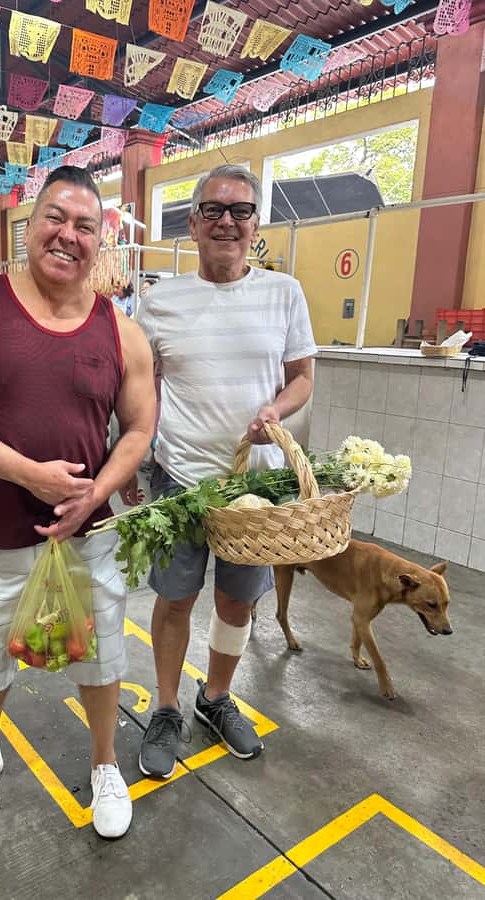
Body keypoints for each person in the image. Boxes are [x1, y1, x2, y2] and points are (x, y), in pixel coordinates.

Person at [0, 166, 155, 838]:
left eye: (85, 225)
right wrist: (30, 476)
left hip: (89, 533)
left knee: (101, 655)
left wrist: (93, 493)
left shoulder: (121, 331)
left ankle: (105, 763)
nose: (67, 235)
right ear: (30, 226)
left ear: (100, 240)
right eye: (55, 217)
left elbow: (139, 428)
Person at [130, 164, 317, 778]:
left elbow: (303, 378)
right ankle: (165, 708)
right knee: (174, 599)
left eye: (240, 210)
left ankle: (214, 698)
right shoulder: (159, 302)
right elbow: (141, 389)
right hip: (179, 477)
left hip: (255, 488)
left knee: (237, 603)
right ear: (193, 223)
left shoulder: (284, 293)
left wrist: (276, 409)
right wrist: (129, 453)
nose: (227, 222)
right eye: (214, 210)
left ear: (256, 223)